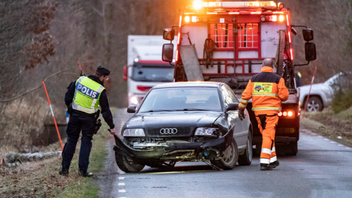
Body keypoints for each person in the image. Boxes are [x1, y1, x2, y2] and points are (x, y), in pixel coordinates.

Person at [59, 65, 116, 177]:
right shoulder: (100, 90)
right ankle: (82, 171)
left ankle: (64, 170)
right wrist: (111, 126)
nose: (106, 80)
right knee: (86, 143)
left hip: (75, 116)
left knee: (71, 141)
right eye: (106, 78)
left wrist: (70, 107)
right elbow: (105, 110)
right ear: (102, 77)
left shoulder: (80, 80)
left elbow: (67, 97)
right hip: (89, 120)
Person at [238, 58, 289, 171]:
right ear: (272, 67)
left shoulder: (254, 79)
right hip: (271, 113)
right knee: (268, 135)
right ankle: (264, 161)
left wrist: (241, 108)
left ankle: (273, 160)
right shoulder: (277, 79)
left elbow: (245, 96)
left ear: (262, 66)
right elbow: (284, 97)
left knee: (268, 135)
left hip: (258, 113)